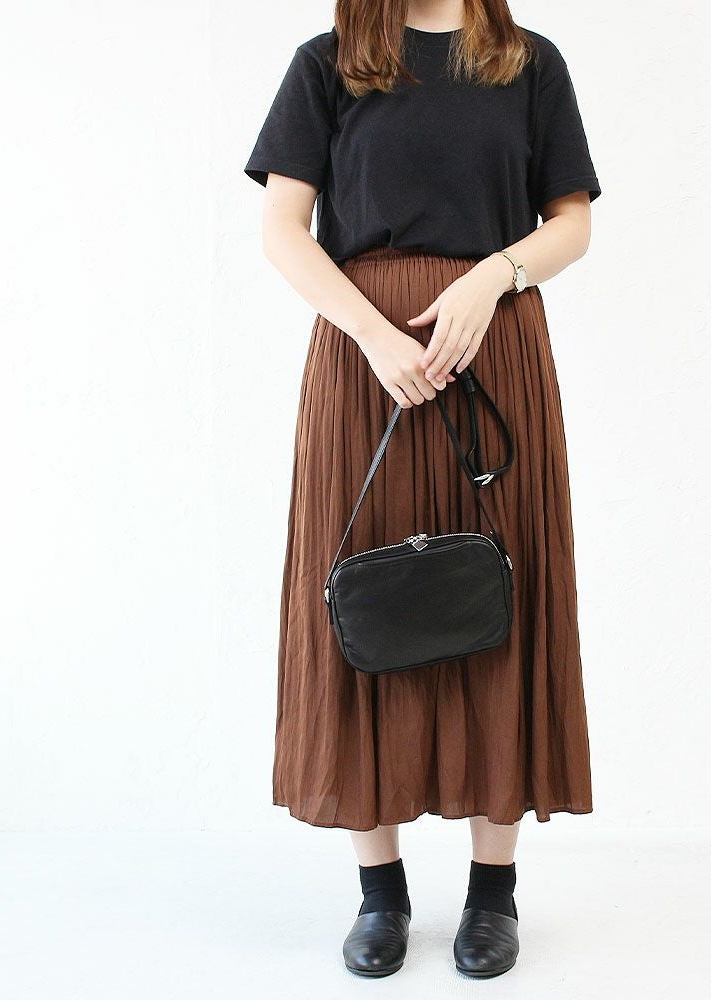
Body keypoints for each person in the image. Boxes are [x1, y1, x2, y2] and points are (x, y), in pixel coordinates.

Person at [243, 0, 601, 981]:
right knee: (364, 600)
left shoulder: (527, 63)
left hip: (496, 352)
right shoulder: (327, 62)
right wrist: (372, 335)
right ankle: (379, 891)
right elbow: (283, 229)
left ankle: (493, 890)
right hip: (366, 361)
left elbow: (571, 222)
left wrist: (493, 277)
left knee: (498, 599)